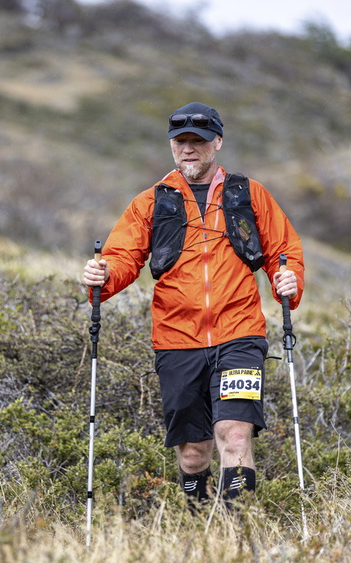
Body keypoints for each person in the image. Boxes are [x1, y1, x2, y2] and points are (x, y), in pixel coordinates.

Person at [82, 102, 304, 509]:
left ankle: (239, 534)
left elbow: (284, 250)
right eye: (180, 141)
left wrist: (289, 280)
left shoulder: (249, 194)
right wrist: (103, 276)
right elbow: (122, 258)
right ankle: (198, 523)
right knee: (192, 452)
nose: (188, 149)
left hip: (240, 334)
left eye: (198, 141)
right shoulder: (151, 203)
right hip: (177, 341)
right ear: (171, 146)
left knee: (235, 435)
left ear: (217, 143)